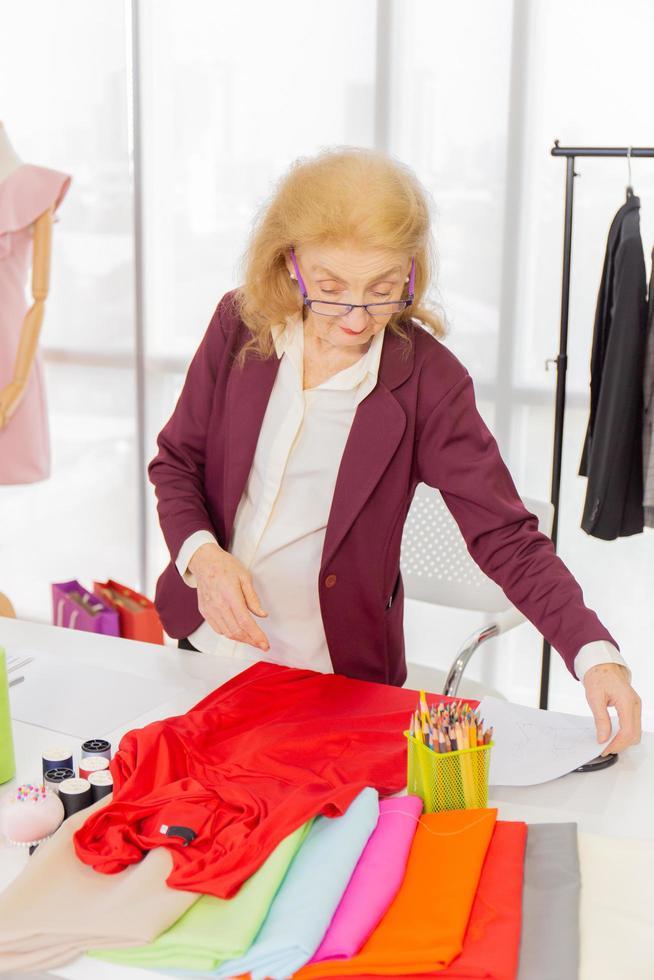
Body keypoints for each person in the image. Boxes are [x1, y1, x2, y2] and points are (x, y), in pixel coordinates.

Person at [148, 147, 641, 757]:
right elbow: (177, 462)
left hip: (334, 677)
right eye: (330, 289)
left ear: (412, 272)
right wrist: (203, 559)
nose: (358, 319)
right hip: (209, 648)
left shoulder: (429, 382)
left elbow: (506, 535)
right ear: (290, 263)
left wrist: (595, 655)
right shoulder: (239, 324)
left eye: (383, 289)